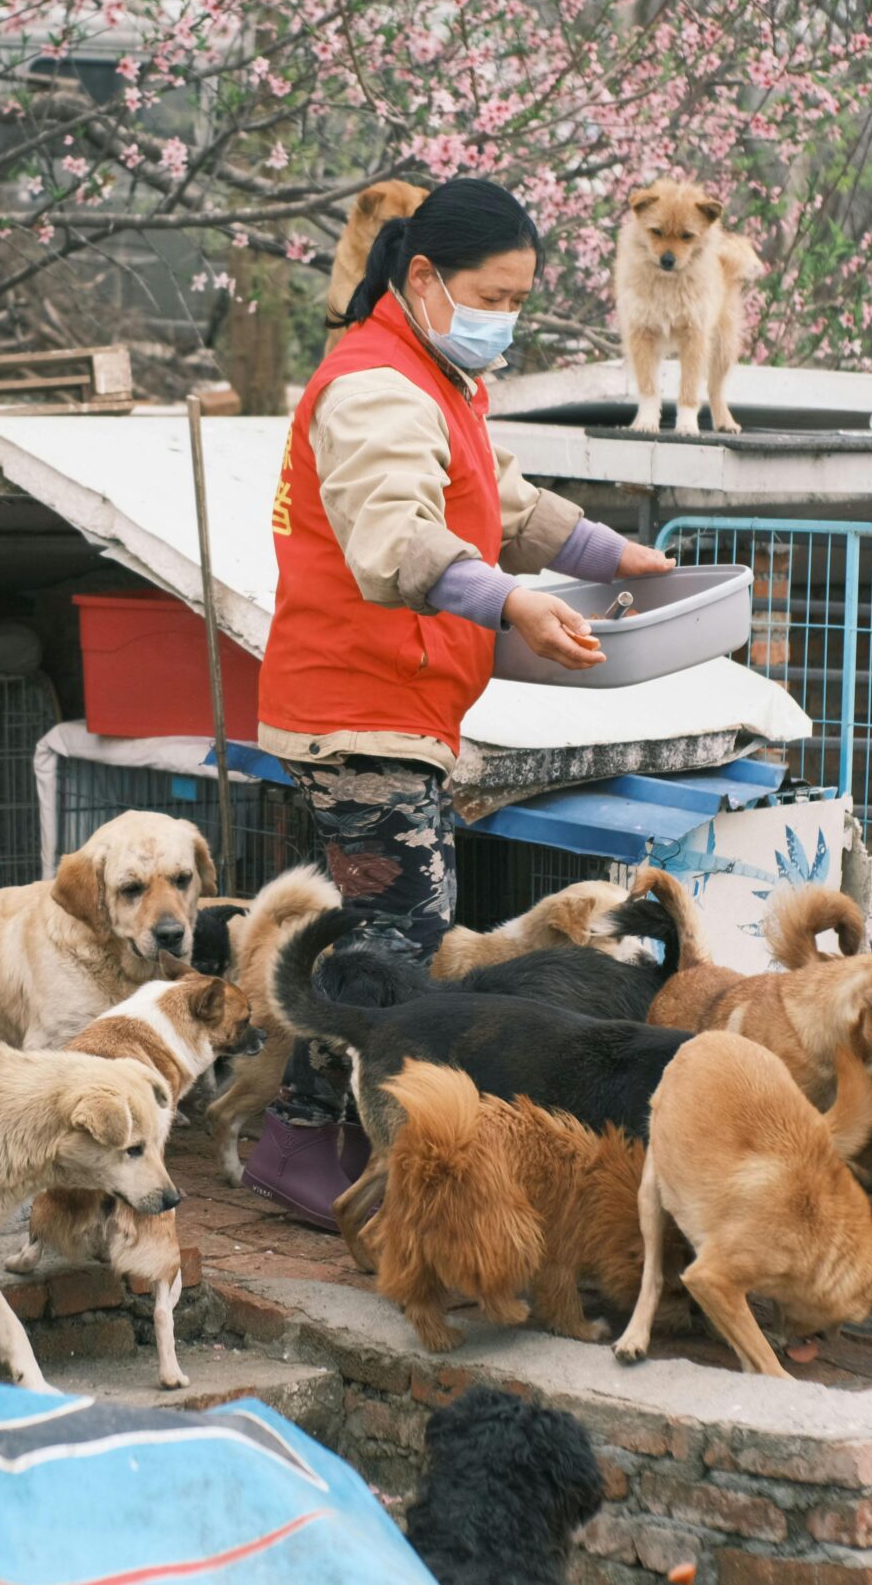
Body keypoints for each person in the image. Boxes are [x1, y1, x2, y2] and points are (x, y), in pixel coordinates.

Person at [254, 177, 672, 1126]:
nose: (505, 321)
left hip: (394, 706)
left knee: (375, 949)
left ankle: (310, 1131)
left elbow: (507, 505)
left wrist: (614, 555)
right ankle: (321, 1139)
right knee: (390, 955)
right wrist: (515, 601)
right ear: (425, 276)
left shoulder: (437, 379)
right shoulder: (375, 385)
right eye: (493, 299)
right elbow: (394, 538)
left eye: (520, 303)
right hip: (360, 708)